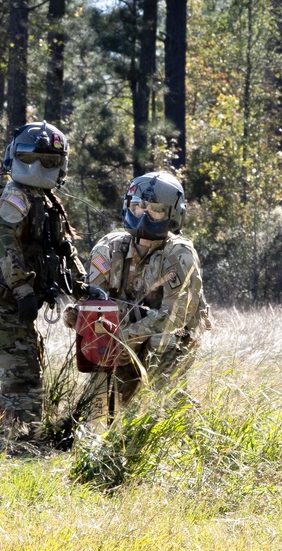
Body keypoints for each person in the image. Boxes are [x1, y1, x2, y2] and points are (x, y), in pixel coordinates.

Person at [65, 171, 211, 426]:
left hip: (165, 342)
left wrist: (124, 337)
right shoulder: (109, 248)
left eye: (155, 208)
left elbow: (174, 319)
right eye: (138, 205)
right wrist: (80, 316)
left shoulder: (179, 254)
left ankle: (191, 431)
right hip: (118, 342)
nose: (144, 213)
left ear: (172, 214)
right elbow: (95, 302)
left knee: (162, 405)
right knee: (98, 414)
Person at [0, 121, 87, 440]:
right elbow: (6, 242)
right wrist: (23, 289)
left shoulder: (46, 202)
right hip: (0, 303)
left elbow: (65, 250)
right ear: (14, 158)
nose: (37, 168)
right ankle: (14, 444)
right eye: (30, 159)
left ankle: (8, 440)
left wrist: (86, 289)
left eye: (48, 162)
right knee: (22, 379)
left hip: (13, 304)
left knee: (24, 376)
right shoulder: (14, 196)